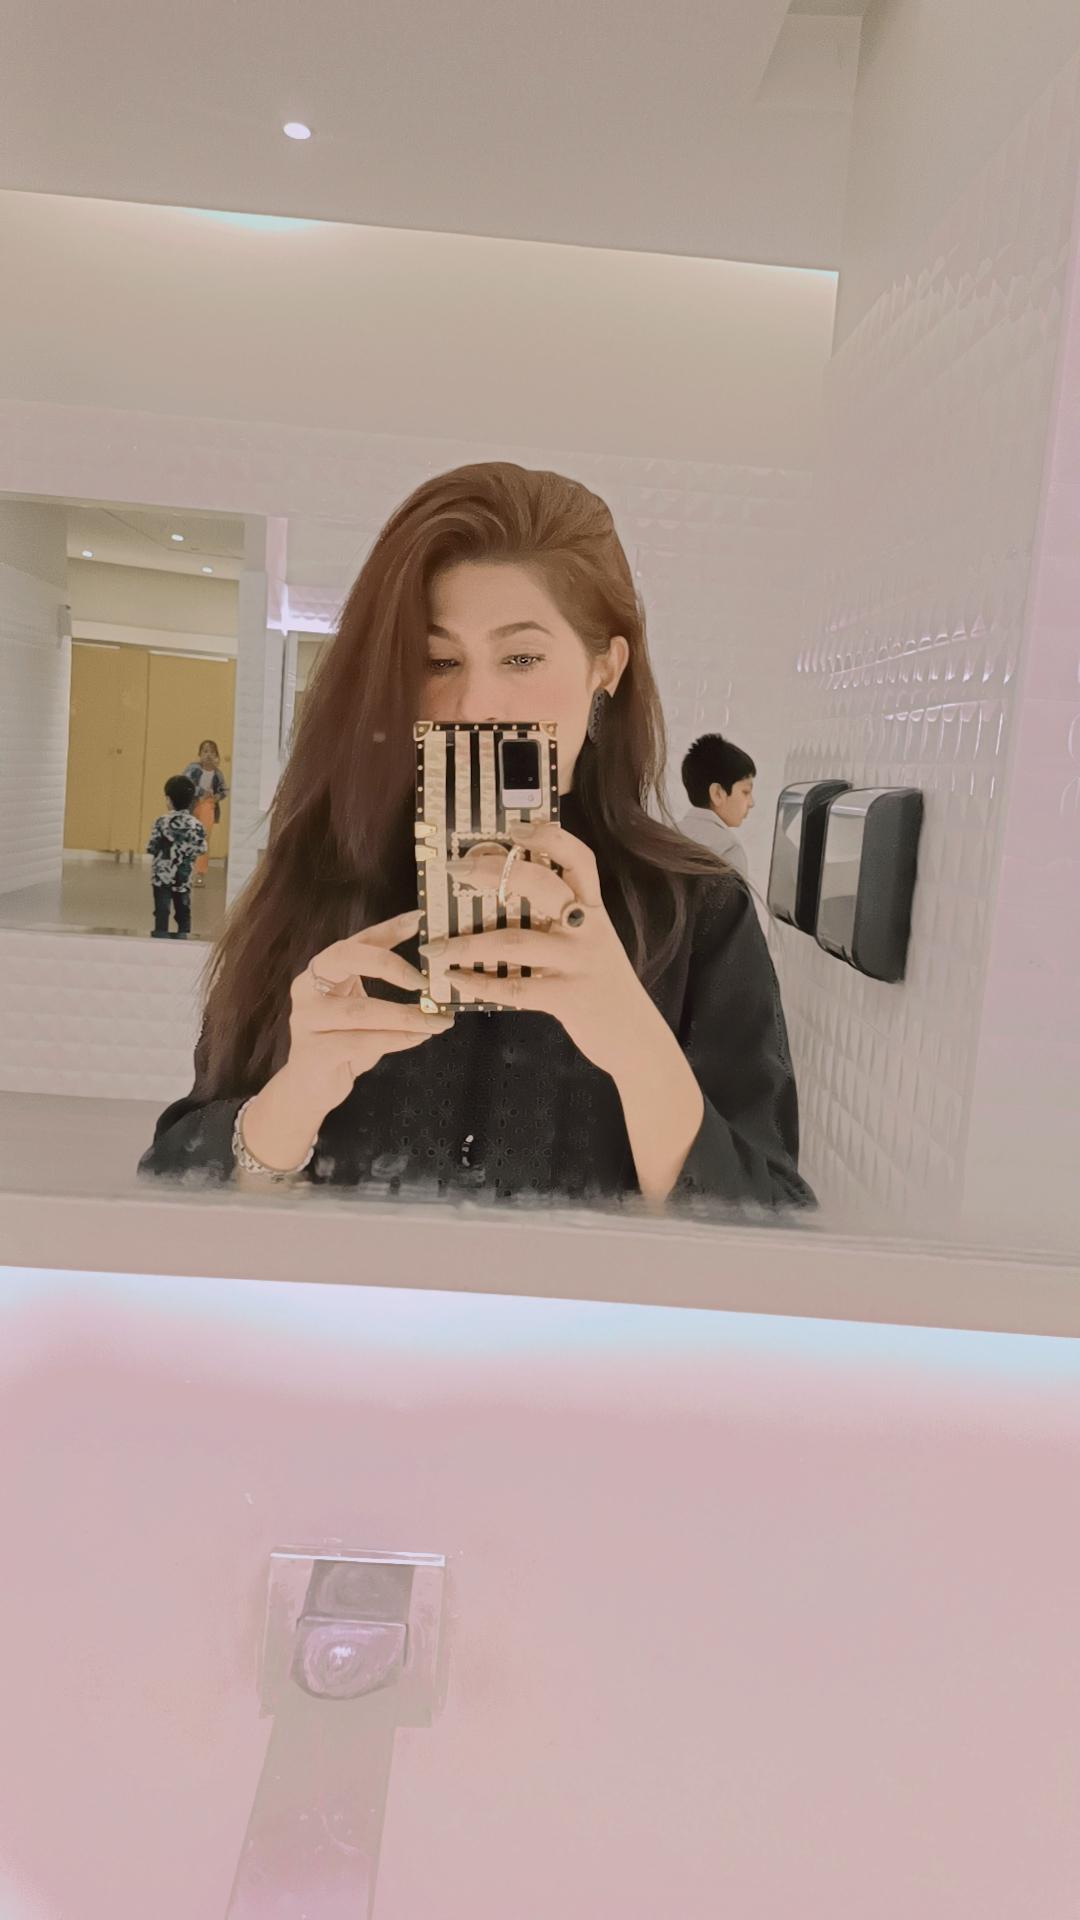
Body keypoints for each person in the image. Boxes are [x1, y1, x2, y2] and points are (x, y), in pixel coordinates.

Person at [140, 463, 814, 1215]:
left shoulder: (699, 912)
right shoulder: (320, 876)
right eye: (439, 661)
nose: (474, 704)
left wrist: (635, 1043)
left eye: (521, 657)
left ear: (605, 666)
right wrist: (290, 1104)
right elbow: (169, 1177)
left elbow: (773, 1220)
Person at [677, 734, 756, 880]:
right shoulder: (728, 850)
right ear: (717, 794)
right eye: (746, 792)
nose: (751, 803)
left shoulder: (670, 836)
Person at [147, 774, 207, 940]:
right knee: (183, 910)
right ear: (191, 800)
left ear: (168, 799)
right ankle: (183, 937)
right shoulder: (196, 824)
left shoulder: (160, 822)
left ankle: (160, 936)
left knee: (161, 909)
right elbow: (201, 848)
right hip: (184, 875)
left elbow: (151, 847)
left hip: (161, 876)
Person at [182, 740, 228, 887]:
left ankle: (200, 873)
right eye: (205, 751)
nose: (208, 755)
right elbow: (185, 784)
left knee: (203, 838)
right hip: (191, 805)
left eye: (212, 752)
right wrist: (201, 792)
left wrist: (216, 797)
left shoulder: (217, 773)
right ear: (200, 754)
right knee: (188, 838)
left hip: (208, 805)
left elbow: (224, 791)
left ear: (216, 756)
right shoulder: (193, 768)